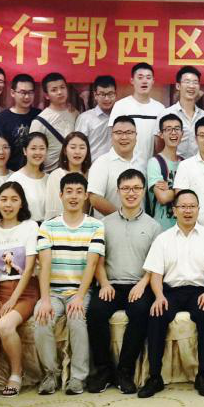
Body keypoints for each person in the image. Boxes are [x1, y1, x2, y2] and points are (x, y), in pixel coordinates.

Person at [87, 169, 161, 395]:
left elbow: (156, 263)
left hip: (139, 285)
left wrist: (143, 283)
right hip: (110, 283)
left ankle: (125, 371)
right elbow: (97, 260)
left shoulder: (153, 226)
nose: (131, 193)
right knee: (95, 312)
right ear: (118, 191)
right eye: (126, 188)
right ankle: (103, 370)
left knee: (140, 311)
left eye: (136, 188)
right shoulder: (104, 224)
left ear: (143, 191)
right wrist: (104, 283)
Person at [141, 190, 204, 397]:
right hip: (170, 291)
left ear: (198, 210)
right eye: (183, 207)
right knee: (156, 314)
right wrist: (159, 296)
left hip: (199, 291)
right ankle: (155, 377)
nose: (188, 211)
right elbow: (156, 273)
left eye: (192, 206)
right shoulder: (163, 239)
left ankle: (203, 375)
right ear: (174, 211)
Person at [34, 172, 104, 396]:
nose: (74, 196)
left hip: (80, 291)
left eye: (79, 192)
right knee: (41, 317)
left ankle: (78, 377)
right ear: (61, 195)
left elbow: (92, 264)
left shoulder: (95, 226)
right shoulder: (48, 226)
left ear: (85, 196)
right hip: (53, 293)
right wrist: (45, 299)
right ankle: (51, 374)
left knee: (76, 317)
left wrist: (79, 297)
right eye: (69, 192)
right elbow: (44, 264)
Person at [0, 181, 40, 400]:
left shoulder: (30, 227)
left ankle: (16, 374)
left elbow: (29, 267)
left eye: (14, 199)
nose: (8, 204)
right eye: (3, 199)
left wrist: (13, 299)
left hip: (24, 290)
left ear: (21, 203)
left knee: (4, 325)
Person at [87, 115, 143, 217]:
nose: (124, 137)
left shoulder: (142, 162)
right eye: (119, 133)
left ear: (136, 136)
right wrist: (122, 217)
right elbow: (94, 198)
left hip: (140, 225)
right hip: (109, 225)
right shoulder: (102, 163)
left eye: (129, 133)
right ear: (111, 136)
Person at [109, 62, 165, 163]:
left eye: (148, 78)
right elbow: (113, 138)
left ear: (153, 81)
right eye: (140, 77)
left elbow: (161, 143)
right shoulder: (120, 106)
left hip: (150, 165)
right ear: (132, 81)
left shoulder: (160, 109)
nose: (144, 81)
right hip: (124, 164)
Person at [0, 74, 41, 172]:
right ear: (12, 93)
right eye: (22, 92)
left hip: (35, 172)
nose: (27, 96)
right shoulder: (0, 119)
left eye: (30, 92)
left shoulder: (40, 116)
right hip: (8, 173)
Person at [29, 72, 79, 170]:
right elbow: (33, 152)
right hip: (48, 172)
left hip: (71, 170)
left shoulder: (75, 113)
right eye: (54, 90)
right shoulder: (39, 121)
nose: (60, 92)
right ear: (46, 95)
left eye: (62, 87)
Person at [147, 113, 184, 229]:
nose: (173, 132)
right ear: (161, 134)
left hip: (183, 227)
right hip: (161, 228)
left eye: (177, 129)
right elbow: (162, 197)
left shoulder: (185, 163)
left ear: (182, 134)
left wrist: (170, 189)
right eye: (168, 129)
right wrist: (184, 188)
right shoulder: (155, 162)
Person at [162, 66, 204, 159]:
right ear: (178, 86)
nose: (191, 86)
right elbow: (159, 146)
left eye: (195, 82)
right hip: (174, 165)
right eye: (187, 82)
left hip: (197, 166)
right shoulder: (167, 114)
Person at [45, 131, 92, 220]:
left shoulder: (92, 175)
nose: (77, 152)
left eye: (82, 148)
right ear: (65, 151)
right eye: (73, 147)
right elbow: (52, 211)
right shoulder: (56, 176)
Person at [8, 133, 53, 222]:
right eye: (33, 148)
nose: (38, 152)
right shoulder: (15, 180)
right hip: (24, 227)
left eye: (42, 148)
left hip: (47, 228)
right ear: (25, 151)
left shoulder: (50, 179)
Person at [76, 75, 117, 159]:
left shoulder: (120, 116)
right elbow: (78, 146)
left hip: (115, 165)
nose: (106, 99)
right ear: (95, 95)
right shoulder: (85, 118)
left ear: (115, 94)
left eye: (110, 94)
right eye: (102, 94)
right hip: (92, 165)